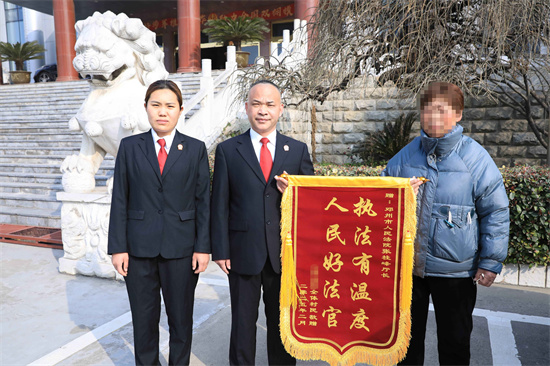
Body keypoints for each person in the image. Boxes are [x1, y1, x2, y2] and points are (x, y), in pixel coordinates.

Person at [382, 81, 510, 365]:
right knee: (405, 347)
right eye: (427, 110)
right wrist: (400, 195)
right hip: (410, 271)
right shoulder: (404, 158)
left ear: (458, 114)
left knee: (455, 345)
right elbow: (378, 200)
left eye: (441, 110)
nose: (433, 118)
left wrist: (490, 262)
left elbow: (496, 211)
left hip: (457, 273)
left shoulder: (475, 158)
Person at [210, 80, 314, 365]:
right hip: (242, 251)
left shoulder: (298, 151)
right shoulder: (229, 150)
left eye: (270, 104)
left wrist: (292, 194)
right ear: (246, 108)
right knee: (243, 324)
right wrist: (220, 250)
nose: (263, 110)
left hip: (284, 253)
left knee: (282, 324)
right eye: (256, 104)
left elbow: (312, 205)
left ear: (280, 109)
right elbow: (219, 203)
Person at [108, 79, 210, 365]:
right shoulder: (130, 147)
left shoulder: (195, 149)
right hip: (138, 250)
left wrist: (203, 247)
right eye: (156, 105)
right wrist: (118, 247)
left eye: (169, 106)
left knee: (181, 321)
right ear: (146, 108)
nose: (162, 112)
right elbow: (120, 200)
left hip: (182, 249)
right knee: (144, 321)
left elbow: (203, 202)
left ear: (180, 110)